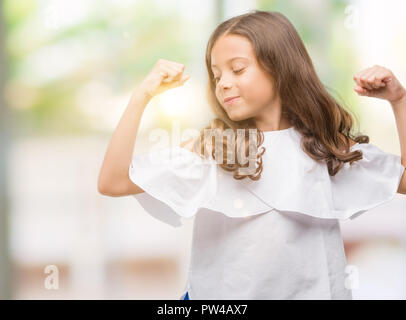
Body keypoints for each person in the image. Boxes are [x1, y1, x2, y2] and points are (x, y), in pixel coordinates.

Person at [98, 10, 406, 300]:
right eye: (217, 75)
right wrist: (143, 95)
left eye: (237, 69)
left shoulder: (325, 148)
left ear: (280, 67)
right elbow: (113, 182)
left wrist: (399, 101)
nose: (223, 84)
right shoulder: (212, 149)